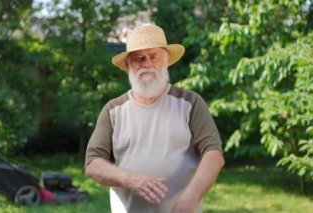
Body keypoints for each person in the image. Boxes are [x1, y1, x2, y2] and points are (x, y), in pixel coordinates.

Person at [84, 24, 224, 213]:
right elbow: (93, 163)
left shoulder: (190, 103)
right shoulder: (113, 110)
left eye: (153, 56)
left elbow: (213, 155)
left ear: (166, 61)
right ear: (128, 66)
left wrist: (188, 202)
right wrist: (130, 179)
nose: (146, 63)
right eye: (138, 58)